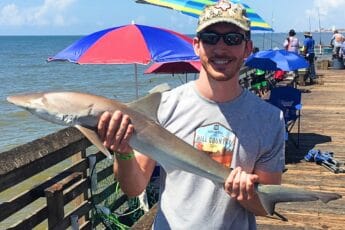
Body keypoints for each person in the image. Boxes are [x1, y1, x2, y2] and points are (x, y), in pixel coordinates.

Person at [97, 0, 285, 229]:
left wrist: (245, 194)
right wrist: (123, 152)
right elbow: (134, 187)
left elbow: (265, 207)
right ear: (196, 45)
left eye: (233, 39)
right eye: (210, 38)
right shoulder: (164, 106)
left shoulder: (270, 119)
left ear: (247, 48)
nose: (221, 48)